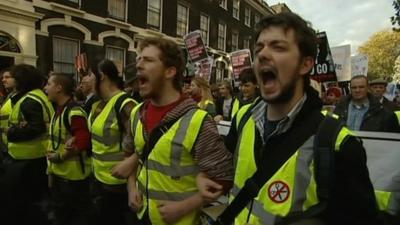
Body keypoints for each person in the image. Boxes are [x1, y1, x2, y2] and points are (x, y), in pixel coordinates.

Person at [203, 12, 380, 225]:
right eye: (259, 49)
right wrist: (208, 177)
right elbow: (225, 165)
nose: (263, 55)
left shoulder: (338, 144)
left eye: (278, 47)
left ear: (305, 64)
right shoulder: (243, 118)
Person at [125, 37, 233, 225]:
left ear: (170, 71)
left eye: (148, 60)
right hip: (141, 216)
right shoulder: (137, 112)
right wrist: (131, 187)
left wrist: (185, 207)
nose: (139, 65)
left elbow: (224, 178)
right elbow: (134, 155)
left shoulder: (198, 121)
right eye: (138, 59)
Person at [2, 64, 55, 225]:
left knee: (25, 203)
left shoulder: (29, 100)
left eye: (13, 77)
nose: (5, 79)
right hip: (35, 157)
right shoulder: (37, 96)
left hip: (28, 160)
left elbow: (36, 128)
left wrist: (11, 132)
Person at [88, 59, 137, 225]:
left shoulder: (125, 104)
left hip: (117, 185)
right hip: (99, 178)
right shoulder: (98, 105)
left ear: (101, 76)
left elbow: (139, 144)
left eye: (90, 75)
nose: (88, 80)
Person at [44, 73, 92, 225]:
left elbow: (83, 141)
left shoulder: (73, 111)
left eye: (48, 84)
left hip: (73, 181)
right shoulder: (59, 110)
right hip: (61, 177)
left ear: (59, 88)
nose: (45, 88)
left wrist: (60, 157)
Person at [334, 75, 399, 132]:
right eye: (354, 87)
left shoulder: (381, 111)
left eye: (361, 87)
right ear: (350, 89)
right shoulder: (340, 107)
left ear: (368, 88)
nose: (357, 90)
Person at [0, 68, 16, 158]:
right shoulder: (8, 96)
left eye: (7, 77)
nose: (3, 80)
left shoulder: (19, 97)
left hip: (13, 145)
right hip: (6, 143)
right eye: (3, 77)